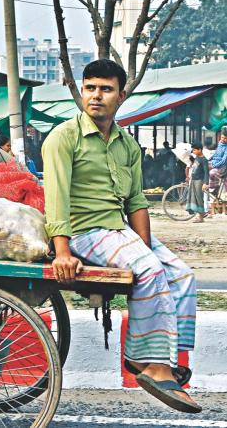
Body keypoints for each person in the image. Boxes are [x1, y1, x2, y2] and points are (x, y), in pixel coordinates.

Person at [42, 59, 199, 413]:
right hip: (83, 231)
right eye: (90, 88)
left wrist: (143, 249)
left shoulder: (127, 144)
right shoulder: (63, 138)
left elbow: (137, 202)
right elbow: (56, 200)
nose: (96, 96)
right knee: (151, 269)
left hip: (118, 232)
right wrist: (62, 252)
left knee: (182, 276)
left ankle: (167, 359)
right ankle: (150, 363)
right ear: (82, 91)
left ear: (121, 95)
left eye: (106, 89)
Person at [186, 143, 208, 223]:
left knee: (199, 198)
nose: (193, 151)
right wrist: (191, 159)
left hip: (199, 181)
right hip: (194, 180)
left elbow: (206, 172)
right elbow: (195, 166)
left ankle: (201, 217)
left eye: (195, 150)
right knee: (195, 197)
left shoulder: (204, 160)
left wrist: (205, 183)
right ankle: (200, 214)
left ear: (200, 150)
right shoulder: (197, 158)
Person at [208, 128, 227, 195]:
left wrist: (214, 165)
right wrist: (209, 158)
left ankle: (213, 189)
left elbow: (224, 161)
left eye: (225, 138)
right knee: (202, 166)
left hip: (222, 167)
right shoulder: (220, 143)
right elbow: (216, 153)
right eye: (222, 137)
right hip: (215, 162)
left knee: (211, 172)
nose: (223, 139)